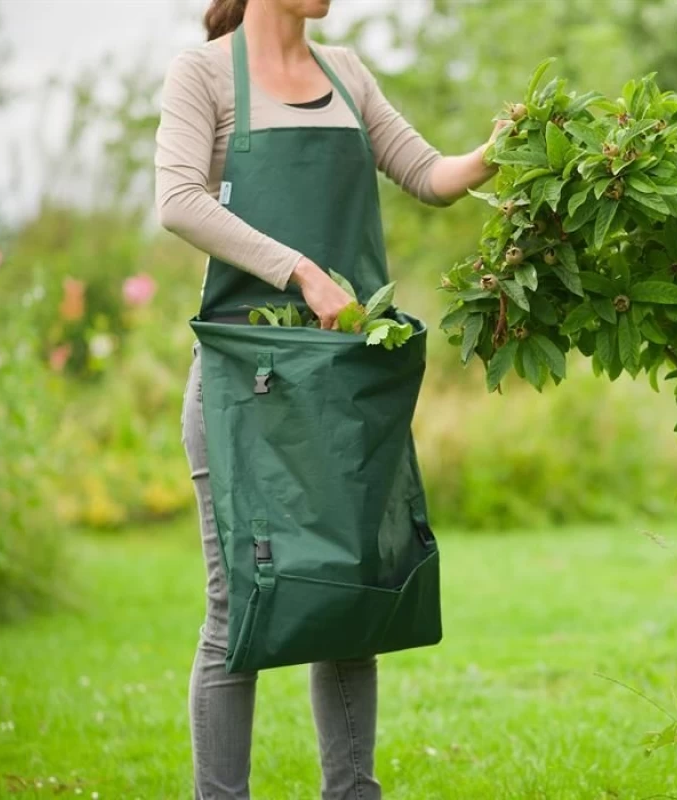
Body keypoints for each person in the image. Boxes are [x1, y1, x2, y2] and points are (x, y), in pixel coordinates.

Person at [154, 1, 505, 797]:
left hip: (341, 388)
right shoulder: (204, 74)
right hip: (244, 386)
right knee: (236, 609)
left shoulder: (346, 72)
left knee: (352, 599)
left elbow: (429, 175)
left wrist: (497, 151)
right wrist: (301, 271)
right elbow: (177, 199)